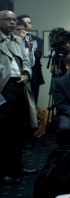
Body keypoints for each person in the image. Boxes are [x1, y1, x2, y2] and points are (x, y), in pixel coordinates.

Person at [0, 10, 38, 184]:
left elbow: (27, 60)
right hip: (4, 86)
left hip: (20, 84)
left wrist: (26, 74)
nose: (12, 23)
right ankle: (5, 172)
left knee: (19, 128)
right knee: (4, 131)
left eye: (14, 20)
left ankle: (17, 166)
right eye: (8, 20)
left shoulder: (17, 39)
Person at [16, 14, 44, 103]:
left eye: (29, 23)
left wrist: (29, 50)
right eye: (25, 23)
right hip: (19, 75)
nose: (27, 25)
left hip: (34, 75)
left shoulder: (37, 40)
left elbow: (38, 55)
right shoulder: (14, 39)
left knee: (33, 102)